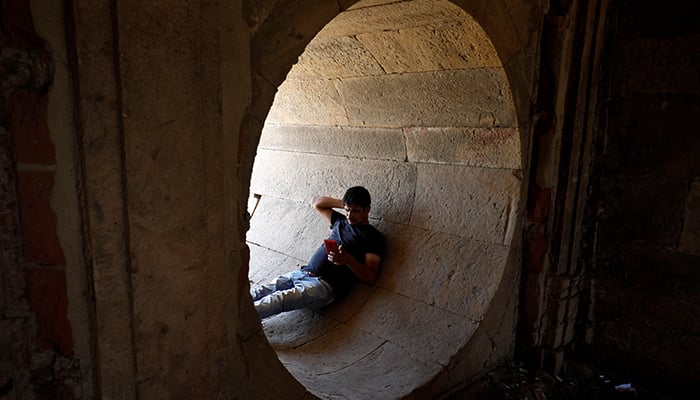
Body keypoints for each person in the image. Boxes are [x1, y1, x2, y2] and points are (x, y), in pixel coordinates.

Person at [250, 186, 385, 319]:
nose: (349, 215)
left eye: (355, 211)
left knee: (277, 299)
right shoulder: (340, 221)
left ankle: (235, 321)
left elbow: (371, 277)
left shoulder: (373, 237)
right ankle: (231, 307)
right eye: (347, 210)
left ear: (367, 210)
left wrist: (348, 259)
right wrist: (345, 202)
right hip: (303, 273)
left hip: (324, 285)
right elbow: (316, 203)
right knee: (263, 290)